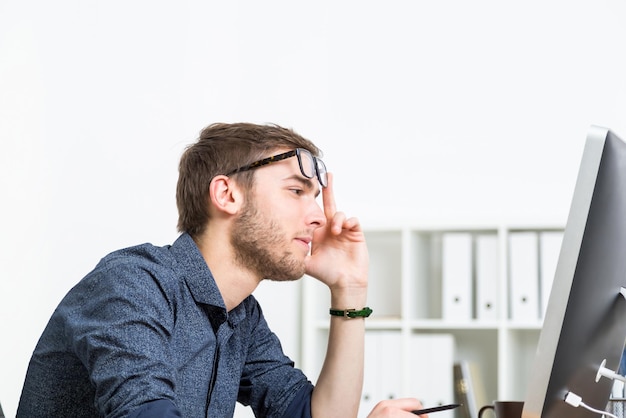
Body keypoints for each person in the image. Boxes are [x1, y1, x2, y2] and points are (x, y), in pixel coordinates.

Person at [17, 122, 426, 418]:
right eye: (297, 191)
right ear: (226, 194)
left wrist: (350, 290)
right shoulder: (131, 285)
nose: (319, 216)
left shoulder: (241, 315)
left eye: (316, 197)